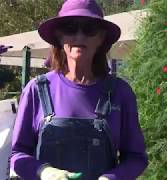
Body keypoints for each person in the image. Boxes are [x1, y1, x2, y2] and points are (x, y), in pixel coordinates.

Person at [10, 0, 148, 180]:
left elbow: (136, 158)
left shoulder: (119, 93)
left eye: (89, 29)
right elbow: (18, 155)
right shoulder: (37, 89)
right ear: (59, 36)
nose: (79, 36)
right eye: (70, 28)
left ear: (101, 38)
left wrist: (111, 178)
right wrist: (44, 172)